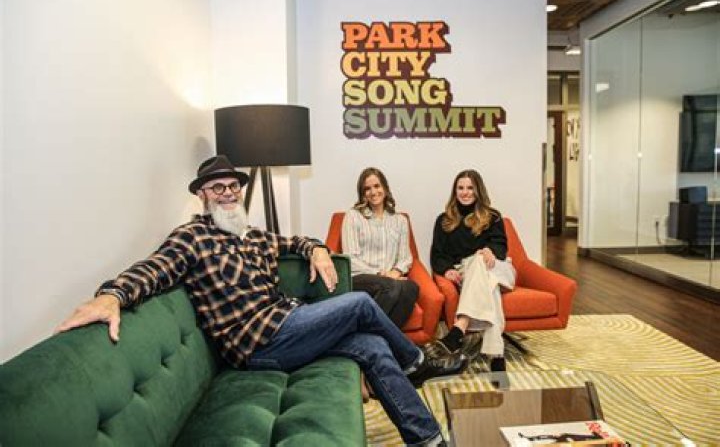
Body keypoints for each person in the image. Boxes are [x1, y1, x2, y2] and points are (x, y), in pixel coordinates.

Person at [55, 155, 467, 446]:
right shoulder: (193, 237)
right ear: (203, 196)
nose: (228, 193)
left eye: (233, 186)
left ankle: (427, 439)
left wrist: (316, 249)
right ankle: (417, 362)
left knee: (373, 345)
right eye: (218, 188)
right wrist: (113, 294)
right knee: (359, 303)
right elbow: (156, 267)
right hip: (258, 345)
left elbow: (295, 241)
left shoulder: (253, 235)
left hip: (288, 324)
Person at [429, 169, 516, 372]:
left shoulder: (493, 216)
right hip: (470, 273)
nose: (465, 192)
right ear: (455, 191)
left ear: (478, 191)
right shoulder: (444, 220)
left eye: (470, 188)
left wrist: (490, 251)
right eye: (460, 188)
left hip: (498, 268)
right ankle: (496, 356)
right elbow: (437, 254)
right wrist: (447, 270)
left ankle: (460, 325)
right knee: (490, 289)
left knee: (479, 259)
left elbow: (501, 247)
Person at [342, 167, 419, 329]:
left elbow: (405, 257)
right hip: (360, 277)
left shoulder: (400, 220)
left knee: (411, 288)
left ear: (385, 187)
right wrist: (380, 274)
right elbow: (350, 258)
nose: (373, 192)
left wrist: (394, 273)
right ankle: (371, 335)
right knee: (390, 286)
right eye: (367, 188)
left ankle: (380, 338)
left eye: (377, 186)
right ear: (363, 193)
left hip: (390, 279)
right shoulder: (353, 216)